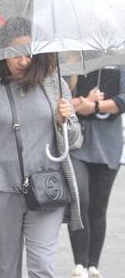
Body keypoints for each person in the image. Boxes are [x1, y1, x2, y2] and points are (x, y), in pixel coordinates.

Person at [0, 17, 82, 278]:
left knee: (42, 267)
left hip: (46, 188)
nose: (24, 61)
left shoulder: (55, 84)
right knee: (4, 269)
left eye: (30, 53)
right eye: (16, 54)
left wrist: (65, 119)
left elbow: (75, 139)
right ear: (2, 52)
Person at [67, 66, 125, 278]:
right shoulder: (74, 60)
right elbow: (58, 100)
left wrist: (96, 105)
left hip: (108, 146)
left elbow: (123, 100)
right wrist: (83, 102)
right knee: (79, 200)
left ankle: (93, 265)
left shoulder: (120, 62)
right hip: (77, 145)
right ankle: (80, 263)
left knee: (98, 207)